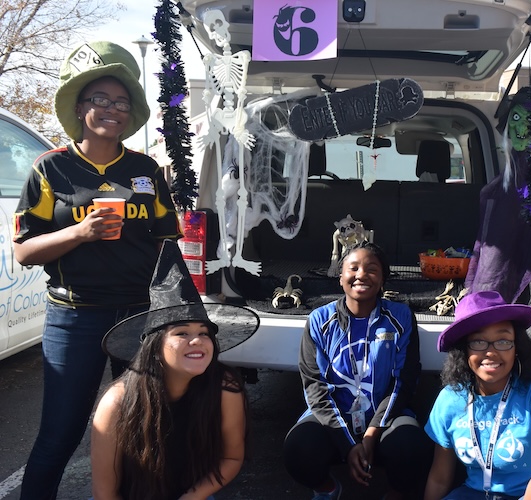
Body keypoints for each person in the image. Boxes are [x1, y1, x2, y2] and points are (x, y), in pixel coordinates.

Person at [12, 41, 183, 499]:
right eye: (101, 100)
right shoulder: (51, 170)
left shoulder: (146, 170)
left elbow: (168, 243)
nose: (112, 110)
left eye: (121, 102)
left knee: (142, 430)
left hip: (138, 317)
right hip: (75, 318)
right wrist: (79, 233)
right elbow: (25, 252)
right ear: (80, 107)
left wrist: (179, 313)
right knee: (60, 434)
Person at [91, 240, 259, 500]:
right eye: (182, 333)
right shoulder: (117, 402)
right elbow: (105, 492)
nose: (197, 341)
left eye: (204, 333)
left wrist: (190, 497)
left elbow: (231, 456)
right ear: (155, 346)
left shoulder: (225, 387)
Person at [283, 240, 431, 499]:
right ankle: (327, 489)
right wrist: (348, 444)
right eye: (353, 268)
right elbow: (315, 386)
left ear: (383, 278)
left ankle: (397, 493)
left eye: (372, 269)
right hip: (332, 417)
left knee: (413, 447)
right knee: (298, 448)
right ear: (341, 278)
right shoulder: (319, 320)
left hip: (383, 418)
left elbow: (403, 381)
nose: (361, 274)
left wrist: (372, 433)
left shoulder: (401, 316)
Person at [424, 290, 531, 500]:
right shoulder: (450, 399)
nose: (491, 352)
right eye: (478, 342)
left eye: (503, 341)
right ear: (463, 350)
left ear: (517, 347)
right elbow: (439, 478)